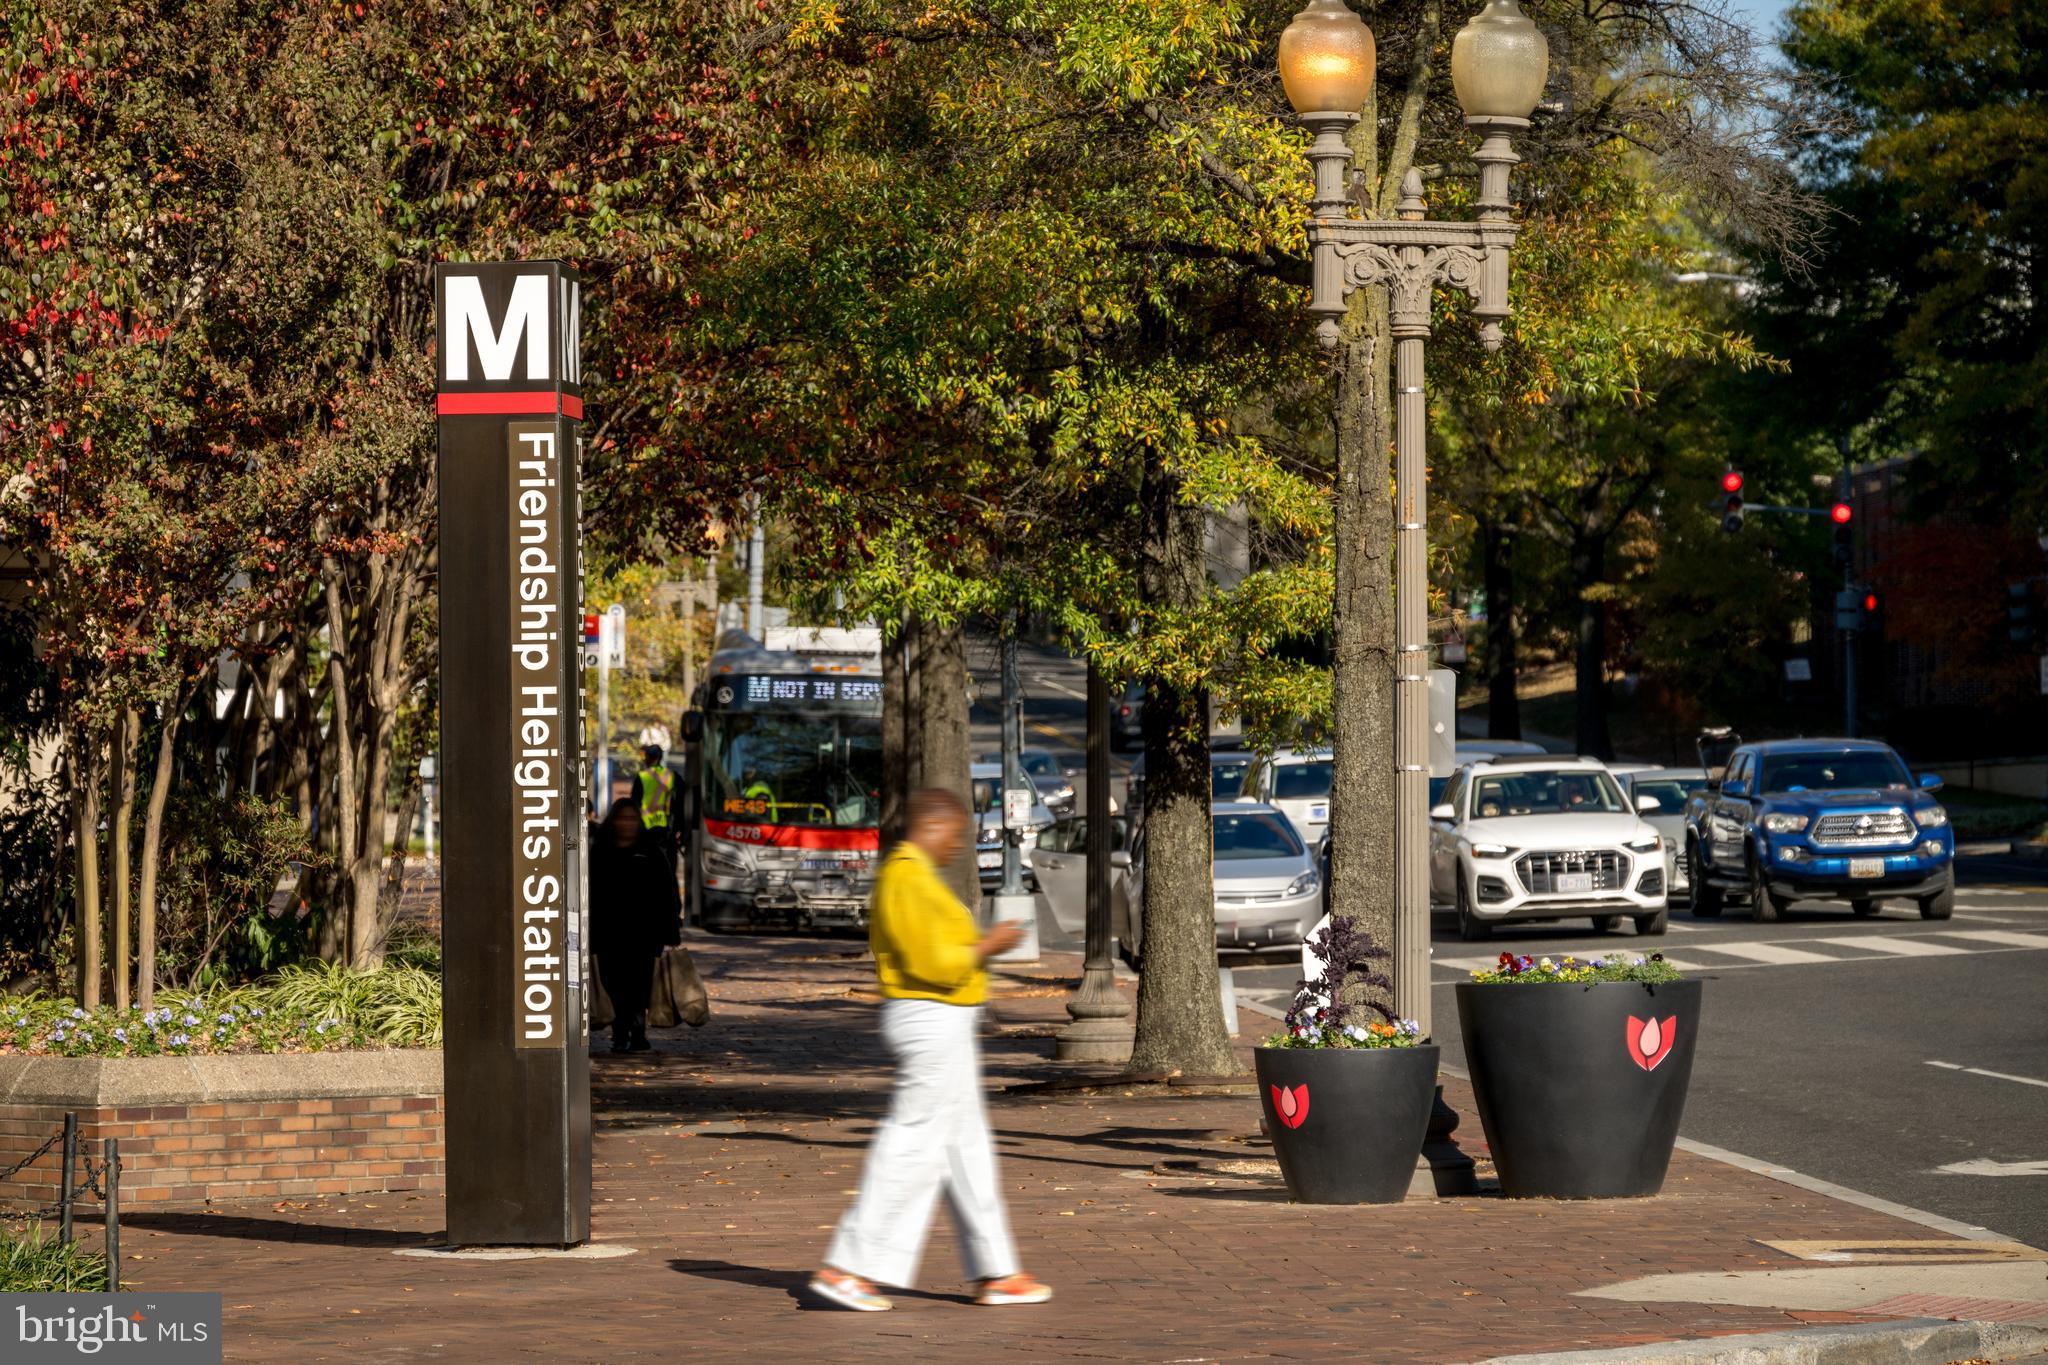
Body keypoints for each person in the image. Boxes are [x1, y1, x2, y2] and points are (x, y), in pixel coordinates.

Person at [809, 788, 1051, 1313]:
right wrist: (991, 943)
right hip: (930, 1016)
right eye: (957, 835)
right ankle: (847, 1267)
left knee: (966, 1147)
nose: (958, 846)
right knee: (913, 1139)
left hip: (941, 1019)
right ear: (936, 828)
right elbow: (935, 961)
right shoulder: (907, 876)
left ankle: (997, 1271)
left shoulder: (909, 875)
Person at [588, 797, 682, 1053]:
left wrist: (671, 931)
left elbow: (667, 892)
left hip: (644, 933)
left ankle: (637, 1032)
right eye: (623, 818)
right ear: (613, 821)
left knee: (639, 984)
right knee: (614, 984)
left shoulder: (651, 851)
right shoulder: (600, 851)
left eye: (632, 818)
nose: (627, 824)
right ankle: (620, 1033)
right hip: (609, 933)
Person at [636, 745, 677, 853]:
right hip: (666, 827)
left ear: (649, 757)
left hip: (646, 827)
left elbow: (635, 803)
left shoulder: (642, 777)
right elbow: (677, 802)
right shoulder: (671, 775)